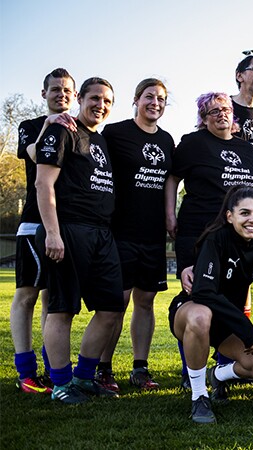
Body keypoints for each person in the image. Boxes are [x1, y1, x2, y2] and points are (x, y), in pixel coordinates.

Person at [34, 77, 123, 404]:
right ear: (80, 99)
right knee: (62, 309)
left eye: (107, 100)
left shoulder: (100, 141)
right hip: (68, 229)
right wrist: (54, 233)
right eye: (95, 98)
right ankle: (60, 384)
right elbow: (44, 184)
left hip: (101, 233)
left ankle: (84, 378)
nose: (101, 104)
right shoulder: (62, 130)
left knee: (112, 308)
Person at [166, 92, 253, 388]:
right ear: (203, 118)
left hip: (235, 239)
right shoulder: (192, 143)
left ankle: (222, 368)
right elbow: (172, 178)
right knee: (196, 295)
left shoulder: (247, 150)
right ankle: (189, 372)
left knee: (230, 297)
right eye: (214, 111)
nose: (221, 114)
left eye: (226, 109)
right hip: (197, 233)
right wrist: (170, 214)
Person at [92, 79, 174, 392]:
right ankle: (103, 368)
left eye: (161, 98)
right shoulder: (114, 133)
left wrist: (169, 216)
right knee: (118, 300)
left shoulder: (167, 141)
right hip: (120, 230)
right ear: (136, 99)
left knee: (146, 300)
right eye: (149, 97)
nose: (155, 102)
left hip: (152, 234)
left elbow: (170, 181)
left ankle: (140, 369)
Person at [168, 186, 253, 424]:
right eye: (244, 213)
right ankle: (199, 396)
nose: (252, 220)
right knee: (201, 316)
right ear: (229, 216)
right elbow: (203, 292)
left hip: (225, 321)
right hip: (192, 311)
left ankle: (218, 375)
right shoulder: (217, 238)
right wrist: (246, 330)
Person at [12, 68, 76, 394]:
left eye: (66, 90)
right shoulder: (30, 127)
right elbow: (36, 155)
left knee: (54, 298)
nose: (61, 94)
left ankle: (54, 368)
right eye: (55, 89)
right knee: (27, 295)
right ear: (44, 93)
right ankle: (25, 371)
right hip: (34, 224)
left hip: (64, 227)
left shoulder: (80, 131)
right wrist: (50, 125)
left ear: (74, 96)